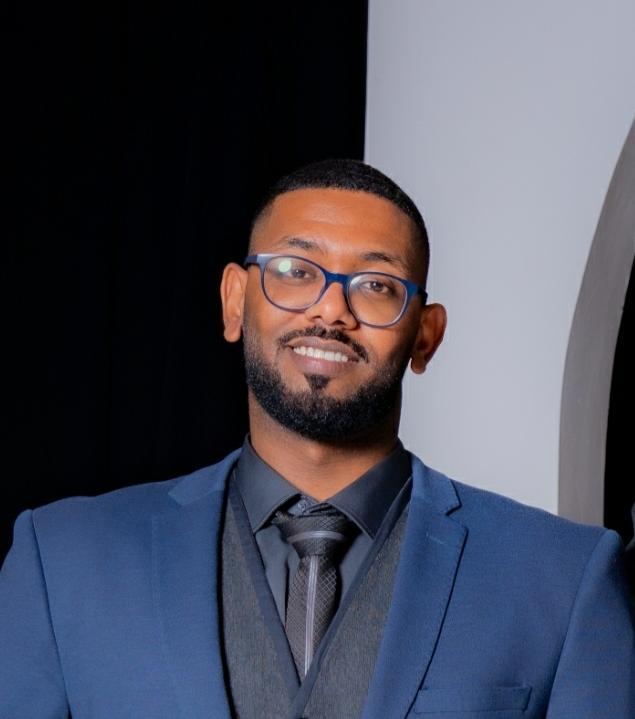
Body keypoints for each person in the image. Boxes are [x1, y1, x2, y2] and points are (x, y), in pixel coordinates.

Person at [1, 159, 634, 719]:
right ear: (234, 301)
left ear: (425, 336)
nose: (331, 310)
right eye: (295, 271)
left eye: (377, 285)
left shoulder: (563, 578)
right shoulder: (63, 561)